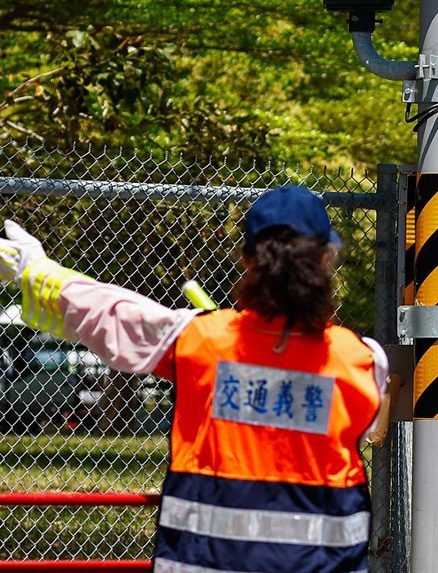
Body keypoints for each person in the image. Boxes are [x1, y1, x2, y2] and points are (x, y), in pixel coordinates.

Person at [0, 184, 387, 573]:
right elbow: (373, 429)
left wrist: (36, 270)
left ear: (246, 260)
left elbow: (110, 312)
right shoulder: (362, 360)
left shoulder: (197, 341)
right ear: (326, 259)